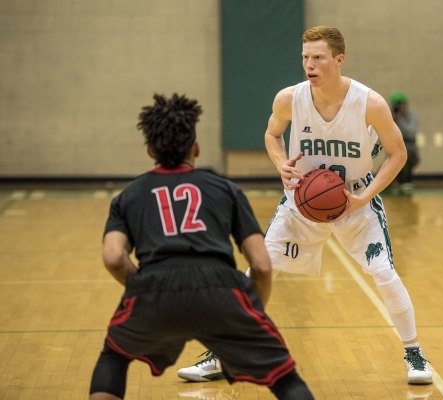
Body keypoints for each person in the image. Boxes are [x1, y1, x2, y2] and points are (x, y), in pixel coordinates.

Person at [178, 26, 432, 385]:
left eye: (317, 58)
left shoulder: (369, 103)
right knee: (261, 270)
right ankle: (223, 353)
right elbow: (271, 134)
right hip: (303, 201)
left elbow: (398, 153)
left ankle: (414, 353)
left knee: (384, 274)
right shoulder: (288, 99)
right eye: (304, 58)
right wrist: (280, 162)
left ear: (338, 60)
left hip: (354, 198)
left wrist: (366, 195)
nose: (309, 65)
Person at [89, 93, 314, 400]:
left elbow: (114, 257)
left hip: (154, 287)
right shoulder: (226, 189)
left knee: (113, 357)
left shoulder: (128, 196)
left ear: (149, 150)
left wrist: (145, 287)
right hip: (220, 289)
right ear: (195, 148)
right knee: (285, 379)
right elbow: (261, 264)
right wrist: (249, 310)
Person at [390, 92, 420, 194]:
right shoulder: (389, 117)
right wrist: (391, 118)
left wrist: (400, 118)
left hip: (410, 150)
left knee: (408, 152)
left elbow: (410, 133)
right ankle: (396, 180)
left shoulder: (411, 117)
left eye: (401, 104)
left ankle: (406, 180)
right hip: (393, 151)